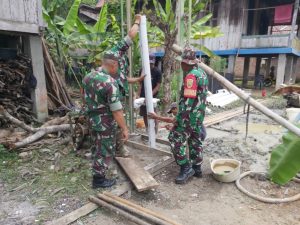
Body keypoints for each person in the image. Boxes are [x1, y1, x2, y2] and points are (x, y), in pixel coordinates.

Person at [156, 47, 208, 185]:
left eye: (182, 62)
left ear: (186, 63)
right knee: (195, 140)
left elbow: (188, 103)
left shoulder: (190, 76)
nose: (181, 65)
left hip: (189, 117)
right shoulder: (202, 73)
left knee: (175, 138)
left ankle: (186, 168)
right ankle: (197, 168)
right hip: (198, 117)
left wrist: (177, 120)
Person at [82, 52, 129, 189]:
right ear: (113, 64)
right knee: (105, 150)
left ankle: (97, 172)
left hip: (92, 119)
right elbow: (116, 110)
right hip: (105, 123)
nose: (118, 69)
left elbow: (83, 96)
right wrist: (124, 128)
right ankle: (99, 180)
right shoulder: (110, 82)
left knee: (96, 146)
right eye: (118, 66)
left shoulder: (88, 76)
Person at [105, 14, 145, 157]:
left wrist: (138, 79)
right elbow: (131, 35)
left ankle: (115, 147)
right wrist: (137, 21)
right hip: (111, 96)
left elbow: (123, 78)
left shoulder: (119, 60)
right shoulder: (116, 51)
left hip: (117, 95)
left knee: (115, 122)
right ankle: (117, 148)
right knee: (115, 121)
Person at [137, 54, 162, 133]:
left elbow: (158, 86)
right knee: (144, 112)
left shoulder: (157, 72)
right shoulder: (142, 70)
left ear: (154, 63)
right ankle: (147, 128)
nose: (150, 65)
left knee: (153, 112)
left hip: (153, 96)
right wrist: (138, 94)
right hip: (143, 95)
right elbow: (140, 83)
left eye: (151, 63)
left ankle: (155, 129)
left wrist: (150, 95)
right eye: (148, 63)